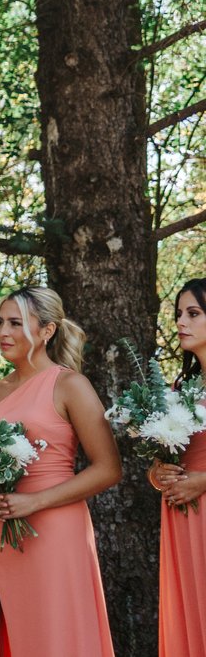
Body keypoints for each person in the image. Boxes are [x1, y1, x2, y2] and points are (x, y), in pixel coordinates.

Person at [0, 284, 120, 657]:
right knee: (15, 632)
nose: (3, 332)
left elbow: (109, 468)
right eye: (0, 322)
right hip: (5, 531)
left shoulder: (70, 385)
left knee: (59, 631)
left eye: (16, 323)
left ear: (47, 330)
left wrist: (34, 501)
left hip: (56, 530)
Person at [153, 277, 206, 656]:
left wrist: (204, 480)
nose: (180, 323)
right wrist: (158, 474)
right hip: (181, 513)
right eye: (178, 315)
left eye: (193, 313)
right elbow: (159, 462)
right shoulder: (179, 388)